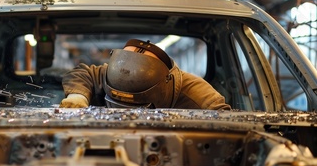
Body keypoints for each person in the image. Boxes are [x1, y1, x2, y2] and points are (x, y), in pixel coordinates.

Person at [60, 39, 231, 110]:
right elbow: (82, 73)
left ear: (166, 84)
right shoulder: (110, 73)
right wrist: (77, 96)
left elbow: (227, 125)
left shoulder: (198, 94)